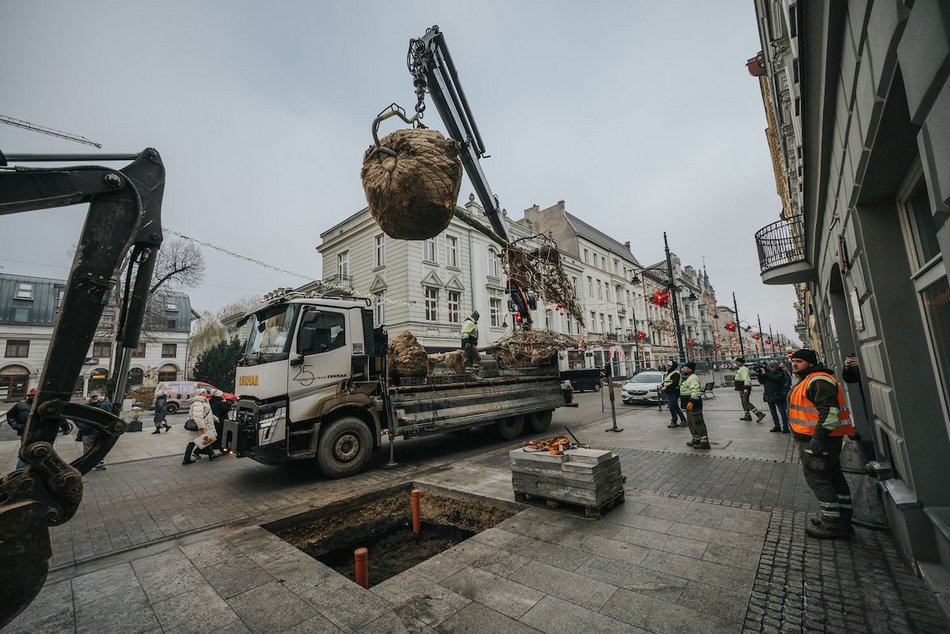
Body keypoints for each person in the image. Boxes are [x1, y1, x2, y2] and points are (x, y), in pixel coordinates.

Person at [788, 349, 855, 539]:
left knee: (819, 480)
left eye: (799, 361)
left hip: (817, 440)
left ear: (810, 363)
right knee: (833, 477)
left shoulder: (818, 380)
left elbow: (830, 412)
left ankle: (832, 523)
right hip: (822, 439)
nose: (794, 364)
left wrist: (818, 437)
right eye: (793, 361)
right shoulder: (812, 379)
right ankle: (842, 518)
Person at [78, 391, 111, 471]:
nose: (94, 398)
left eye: (96, 396)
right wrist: (82, 426)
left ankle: (99, 465)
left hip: (100, 431)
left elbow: (110, 416)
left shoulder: (105, 405)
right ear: (90, 397)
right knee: (87, 449)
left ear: (99, 396)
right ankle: (86, 465)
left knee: (99, 449)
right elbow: (77, 417)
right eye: (93, 396)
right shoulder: (85, 407)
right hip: (88, 431)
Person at [182, 389, 217, 465]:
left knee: (203, 439)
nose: (205, 394)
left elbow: (206, 413)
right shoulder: (198, 403)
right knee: (195, 441)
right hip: (198, 426)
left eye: (205, 392)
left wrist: (214, 418)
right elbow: (198, 417)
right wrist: (201, 427)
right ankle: (186, 459)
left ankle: (211, 454)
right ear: (199, 394)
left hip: (200, 425)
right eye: (203, 393)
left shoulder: (202, 402)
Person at [680, 362, 710, 449]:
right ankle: (696, 438)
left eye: (685, 367)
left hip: (693, 404)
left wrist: (692, 401)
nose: (683, 369)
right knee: (691, 422)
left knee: (697, 422)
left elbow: (695, 390)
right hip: (688, 403)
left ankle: (704, 442)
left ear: (690, 369)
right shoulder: (689, 378)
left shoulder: (693, 378)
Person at [757, 360, 792, 433]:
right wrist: (759, 374)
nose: (769, 367)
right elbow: (762, 382)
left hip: (778, 395)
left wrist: (765, 373)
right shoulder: (768, 373)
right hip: (769, 395)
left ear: (775, 366)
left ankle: (785, 427)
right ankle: (777, 426)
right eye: (769, 366)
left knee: (782, 411)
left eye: (770, 366)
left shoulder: (780, 372)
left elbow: (775, 379)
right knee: (773, 412)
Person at [6, 388, 35, 469]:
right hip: (25, 432)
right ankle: (20, 470)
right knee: (25, 451)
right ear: (30, 396)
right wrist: (17, 426)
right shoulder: (20, 405)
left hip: (40, 432)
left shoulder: (41, 406)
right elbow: (10, 416)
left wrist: (65, 428)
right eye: (33, 396)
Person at [734, 357, 766, 423]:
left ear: (741, 362)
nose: (736, 363)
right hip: (741, 388)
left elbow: (747, 379)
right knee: (743, 402)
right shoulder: (741, 369)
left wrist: (746, 388)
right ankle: (747, 415)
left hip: (744, 388)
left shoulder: (744, 369)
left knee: (745, 402)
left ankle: (759, 414)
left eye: (737, 361)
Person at [660, 361, 688, 428]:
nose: (668, 367)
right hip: (670, 392)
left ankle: (674, 421)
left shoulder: (675, 374)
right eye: (668, 365)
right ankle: (683, 420)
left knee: (672, 407)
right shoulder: (669, 373)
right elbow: (667, 381)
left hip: (673, 392)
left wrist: (665, 387)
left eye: (669, 366)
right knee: (675, 407)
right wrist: (661, 385)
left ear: (673, 367)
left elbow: (674, 384)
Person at [208, 389, 232, 453]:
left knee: (217, 435)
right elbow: (226, 409)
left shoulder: (211, 401)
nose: (223, 396)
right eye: (222, 395)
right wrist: (227, 402)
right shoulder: (219, 403)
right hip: (220, 421)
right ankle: (223, 449)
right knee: (221, 435)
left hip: (214, 420)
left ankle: (222, 449)